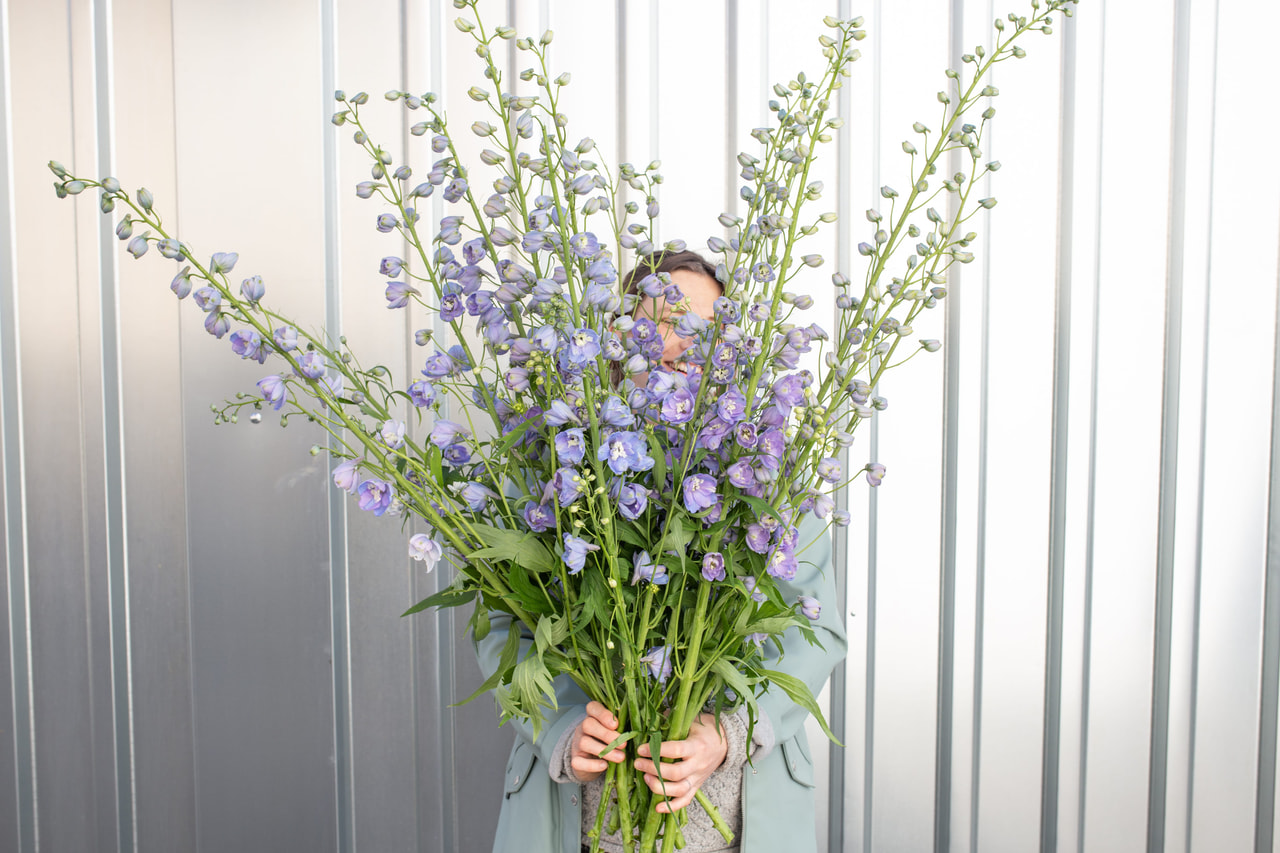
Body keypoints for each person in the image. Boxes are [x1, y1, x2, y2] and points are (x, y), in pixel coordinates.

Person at [473, 250, 847, 853]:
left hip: (735, 829)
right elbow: (505, 625)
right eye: (666, 322)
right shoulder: (552, 459)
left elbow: (818, 631)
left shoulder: (769, 474)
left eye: (707, 328)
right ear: (618, 336)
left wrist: (729, 733)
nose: (685, 342)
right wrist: (563, 728)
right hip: (583, 828)